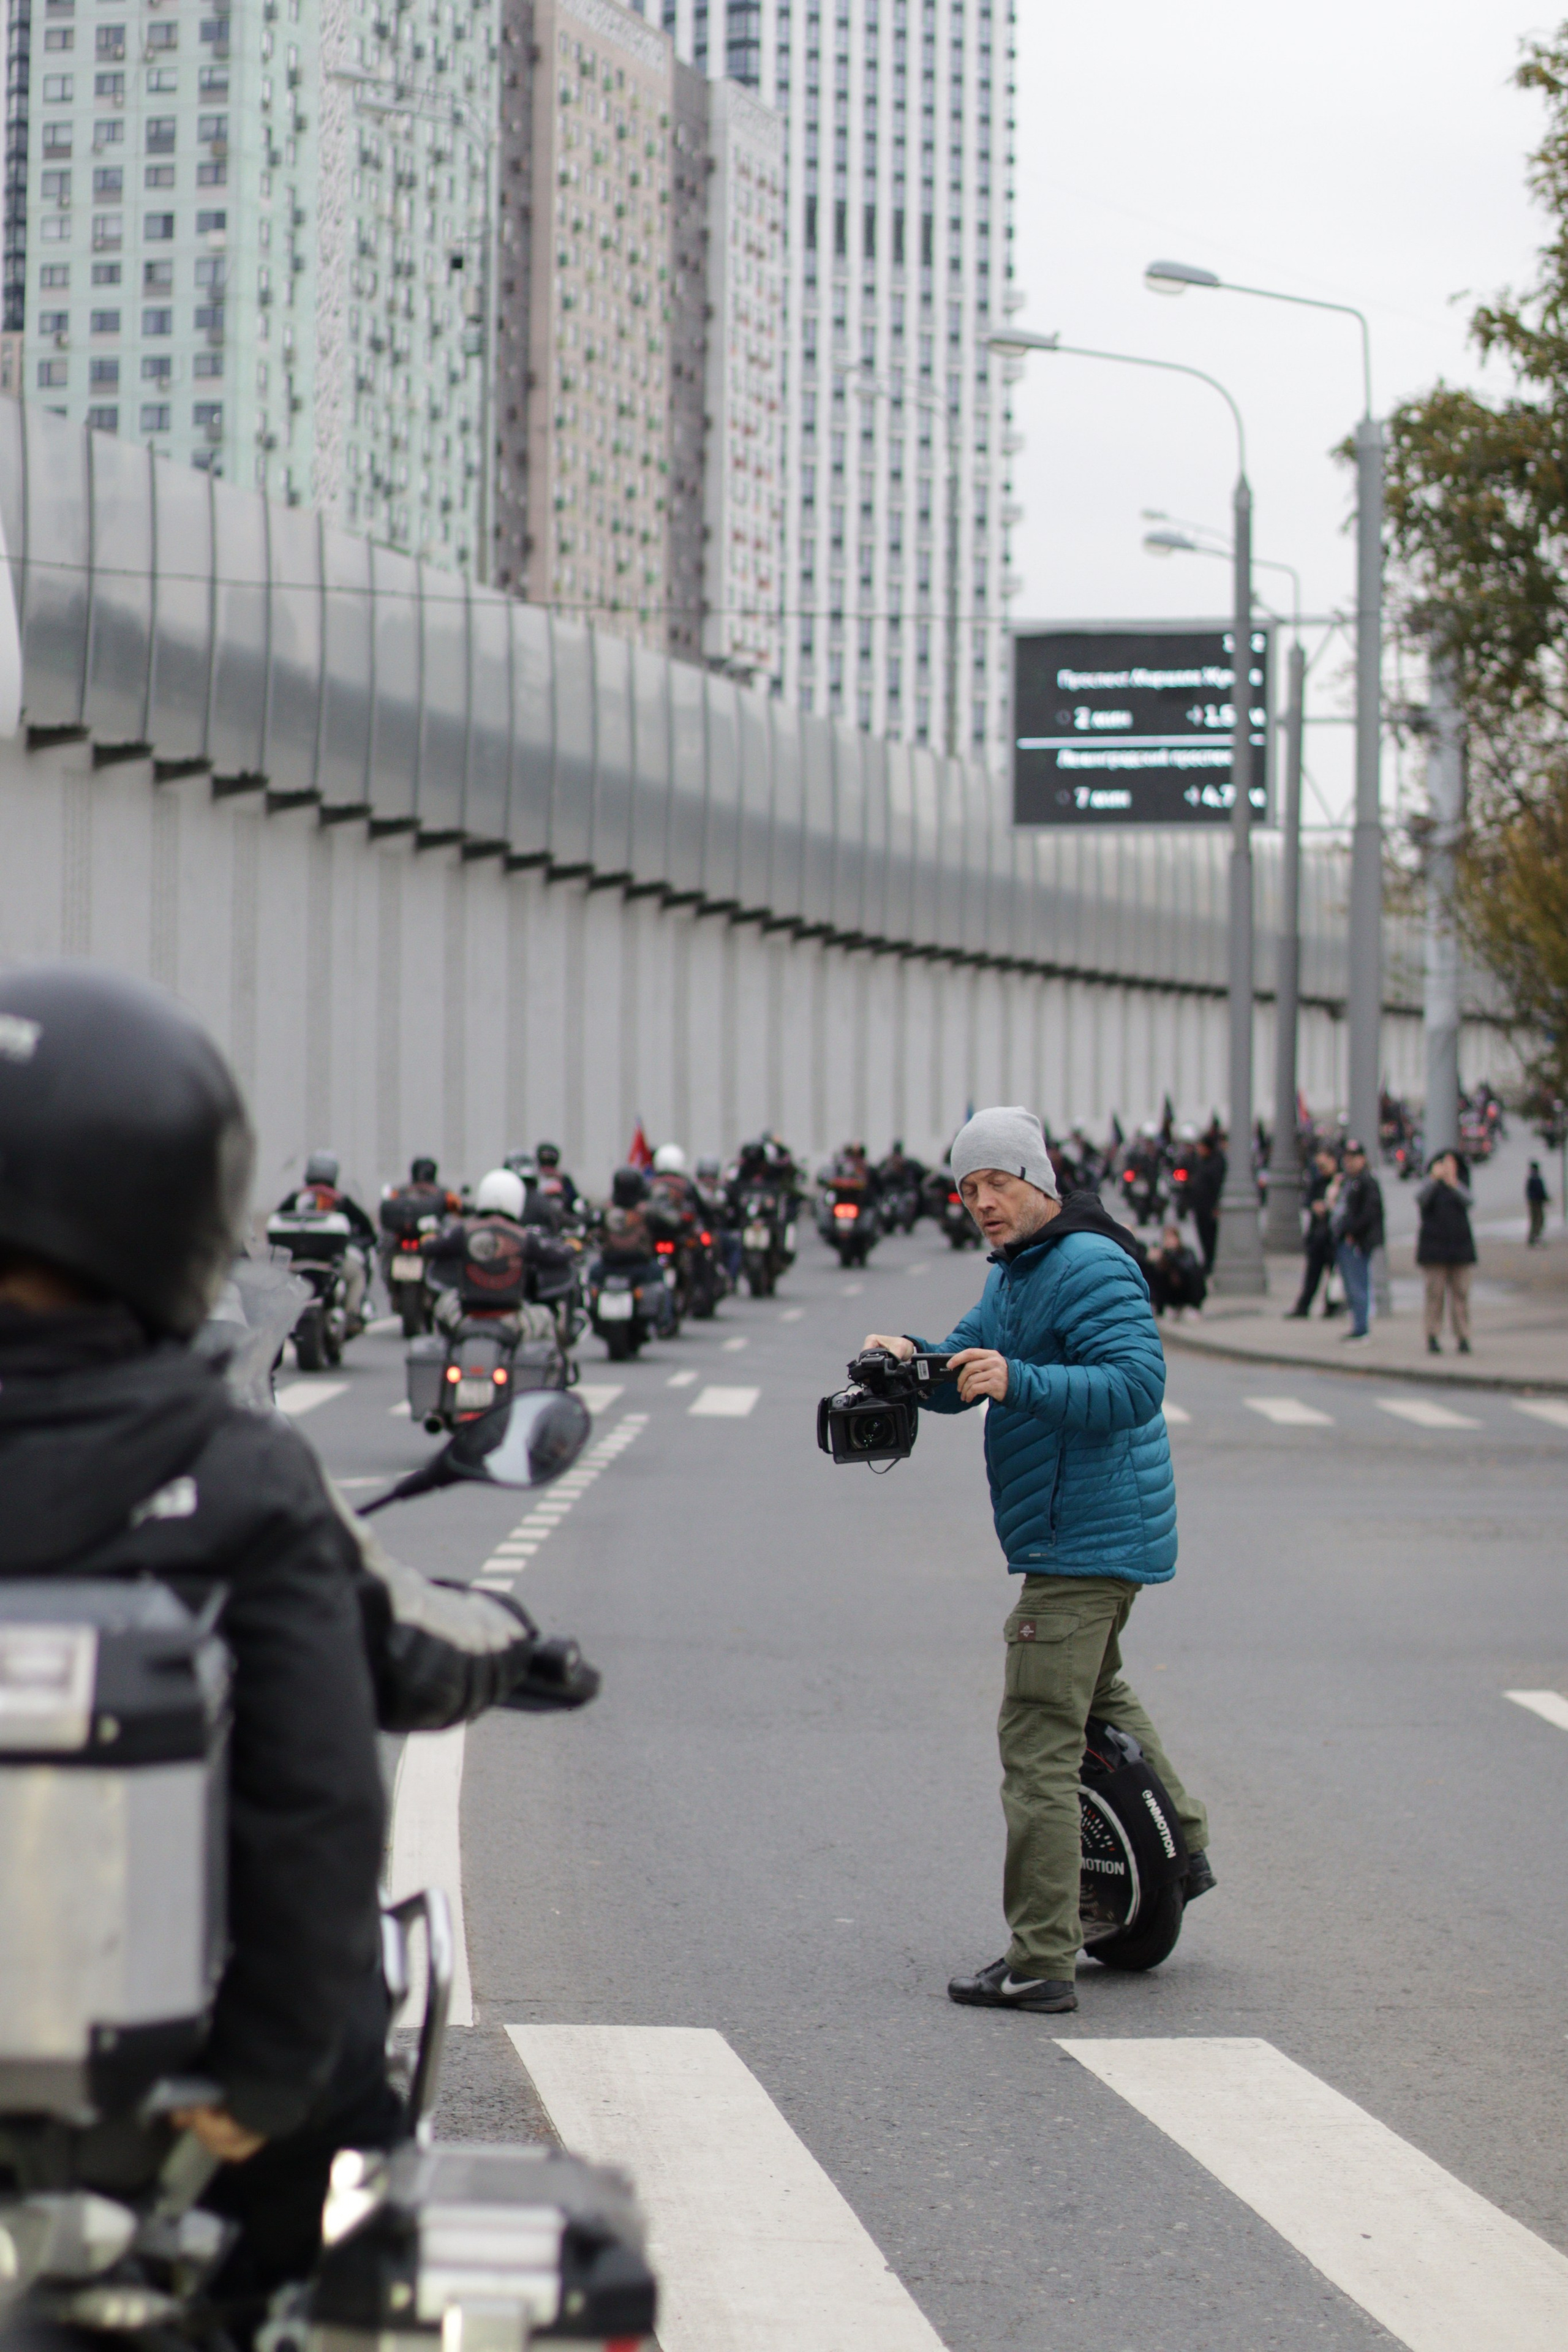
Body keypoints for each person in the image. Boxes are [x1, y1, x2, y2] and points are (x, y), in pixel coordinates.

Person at [0, 965, 549, 2326]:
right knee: (350, 2274)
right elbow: (317, 1802)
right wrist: (270, 2077)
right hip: (202, 2104)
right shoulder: (239, 1472)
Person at [864, 1105, 1212, 2018]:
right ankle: (1187, 1851)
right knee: (1099, 1696)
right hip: (1087, 1533)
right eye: (968, 1188)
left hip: (1085, 1538)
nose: (981, 1202)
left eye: (996, 1183)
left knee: (1037, 1742)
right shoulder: (1020, 1272)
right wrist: (913, 1360)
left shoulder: (1088, 1264)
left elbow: (1138, 1385)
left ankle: (1040, 1957)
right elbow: (967, 1365)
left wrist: (1019, 1381)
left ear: (1039, 1182)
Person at [421, 1166, 571, 1333]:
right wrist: (571, 1247)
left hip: (465, 1317)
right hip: (511, 1320)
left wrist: (428, 1239)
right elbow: (556, 1256)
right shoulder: (524, 1237)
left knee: (442, 1303)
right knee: (546, 1316)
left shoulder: (464, 1231)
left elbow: (433, 1248)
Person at [278, 1150, 377, 1327]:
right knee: (356, 1276)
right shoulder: (340, 1201)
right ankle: (352, 1315)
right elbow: (367, 1229)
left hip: (296, 1262)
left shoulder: (296, 1198)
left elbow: (277, 1221)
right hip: (332, 1263)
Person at [1417, 1151, 1476, 1355]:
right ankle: (1432, 1335)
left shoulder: (1459, 1184)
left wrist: (1453, 1183)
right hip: (1434, 1249)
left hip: (1460, 1248)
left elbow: (1470, 1201)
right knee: (1435, 1294)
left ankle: (1463, 1336)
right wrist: (1434, 1179)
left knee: (1461, 1294)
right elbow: (1421, 1199)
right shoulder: (1431, 1185)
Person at [1331, 1136, 1384, 1344]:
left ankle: (1361, 1329)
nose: (1350, 1162)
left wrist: (1352, 1231)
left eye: (1354, 1158)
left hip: (1357, 1242)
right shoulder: (1348, 1181)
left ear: (1363, 1159)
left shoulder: (1366, 1181)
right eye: (1347, 1158)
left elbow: (1369, 1214)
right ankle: (1357, 1325)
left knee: (1358, 1285)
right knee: (1352, 1285)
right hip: (1346, 1240)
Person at [1287, 1146, 1341, 1319]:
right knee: (1312, 1274)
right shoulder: (1318, 1181)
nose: (1322, 1169)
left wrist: (1328, 1206)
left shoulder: (1339, 1181)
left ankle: (1331, 1307)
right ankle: (1303, 1306)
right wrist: (1314, 1206)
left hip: (1332, 1237)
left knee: (1334, 1275)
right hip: (1317, 1235)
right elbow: (1308, 1200)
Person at [1145, 1222, 1206, 1317]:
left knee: (1195, 1275)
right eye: (1167, 1238)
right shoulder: (1163, 1255)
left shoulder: (1186, 1252)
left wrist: (1173, 1256)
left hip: (1185, 1287)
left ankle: (1193, 1307)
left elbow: (1189, 1267)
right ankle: (1161, 1307)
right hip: (1169, 1291)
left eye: (1172, 1237)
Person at [1188, 1131, 1226, 1274]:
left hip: (1210, 1208)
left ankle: (1211, 1262)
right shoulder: (1201, 1161)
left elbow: (1217, 1185)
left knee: (1211, 1237)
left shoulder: (1216, 1162)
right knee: (1203, 1236)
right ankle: (1207, 1261)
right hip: (1200, 1207)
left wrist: (1217, 1206)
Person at [1526, 1159, 1550, 1246]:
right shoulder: (1535, 1179)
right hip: (1536, 1202)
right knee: (1538, 1220)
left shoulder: (1534, 1178)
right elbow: (1538, 1191)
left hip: (1536, 1201)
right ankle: (1535, 1237)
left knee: (1537, 1220)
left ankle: (1534, 1236)